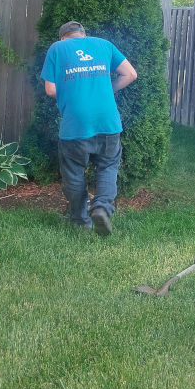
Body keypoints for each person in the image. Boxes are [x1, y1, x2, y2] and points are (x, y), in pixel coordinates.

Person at [40, 20, 137, 235]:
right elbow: (131, 74)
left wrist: (71, 91)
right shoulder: (104, 45)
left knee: (74, 172)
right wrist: (108, 89)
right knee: (108, 166)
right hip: (108, 121)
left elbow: (50, 89)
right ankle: (101, 208)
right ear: (83, 34)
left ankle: (80, 221)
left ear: (62, 37)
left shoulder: (58, 48)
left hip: (76, 122)